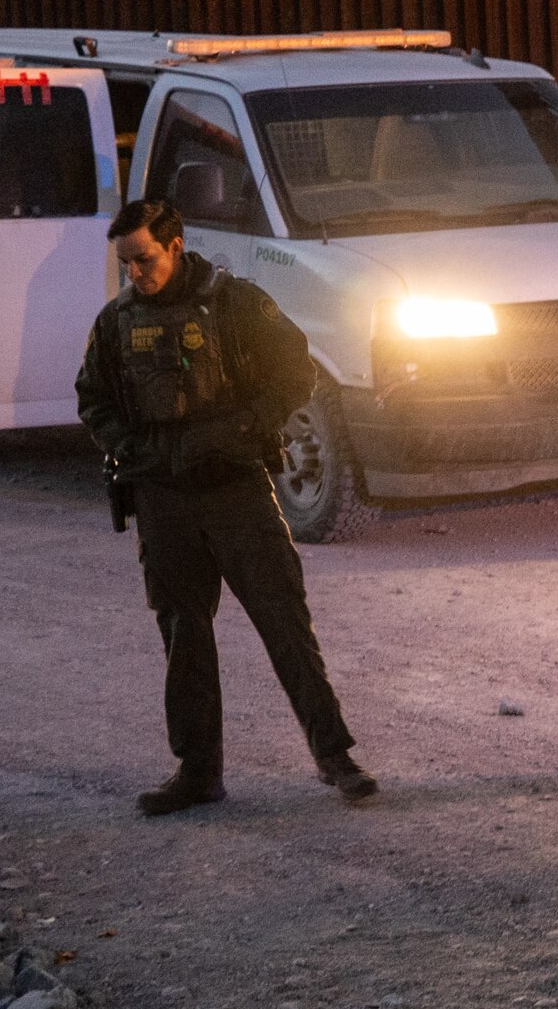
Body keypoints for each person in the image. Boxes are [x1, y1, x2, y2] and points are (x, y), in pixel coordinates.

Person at [74, 197, 377, 819]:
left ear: (176, 245)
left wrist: (248, 428)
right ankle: (198, 772)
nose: (135, 272)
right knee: (183, 632)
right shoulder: (116, 322)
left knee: (284, 622)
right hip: (162, 494)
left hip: (235, 487)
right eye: (126, 262)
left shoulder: (235, 302)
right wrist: (130, 448)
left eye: (145, 259)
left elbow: (296, 368)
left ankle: (335, 756)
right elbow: (93, 397)